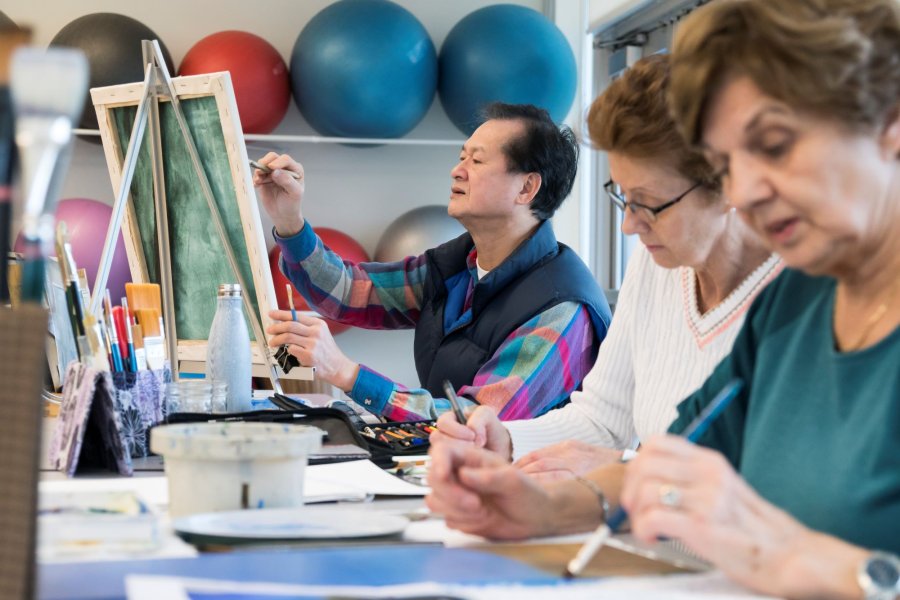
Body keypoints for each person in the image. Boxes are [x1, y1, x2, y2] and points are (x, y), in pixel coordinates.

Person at [427, 0, 900, 597]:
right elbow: (670, 463)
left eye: (776, 144)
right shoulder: (799, 301)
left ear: (889, 121)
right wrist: (539, 508)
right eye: (729, 162)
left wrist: (806, 562)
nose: (746, 190)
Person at [432, 54, 780, 480]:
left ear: (731, 184)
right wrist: (505, 439)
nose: (630, 225)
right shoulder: (657, 265)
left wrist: (630, 473)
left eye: (649, 204)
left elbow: (790, 490)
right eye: (623, 197)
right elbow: (603, 421)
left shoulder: (803, 295)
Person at [256, 103, 611, 422]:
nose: (457, 171)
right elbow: (348, 292)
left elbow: (476, 421)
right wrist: (289, 220)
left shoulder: (562, 309)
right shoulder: (457, 264)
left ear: (527, 188)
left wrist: (346, 373)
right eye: (461, 157)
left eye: (477, 160)